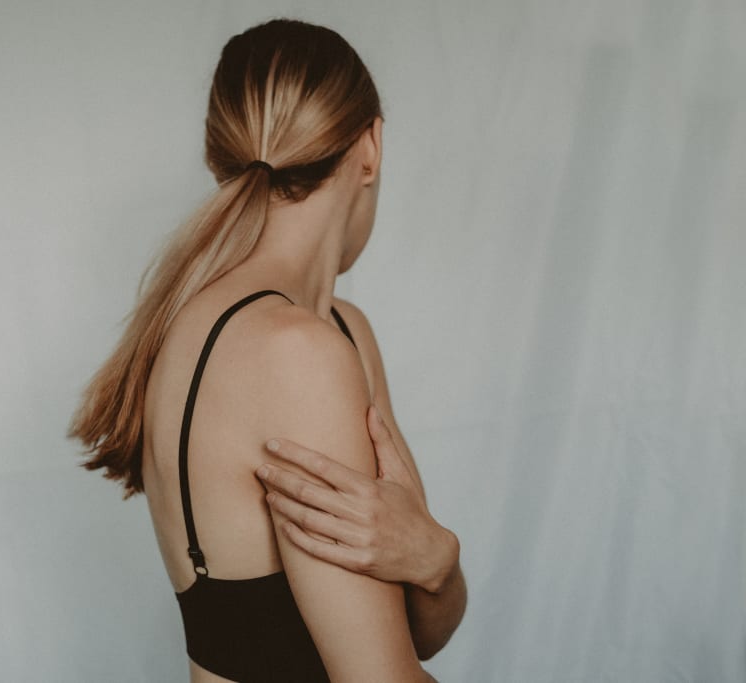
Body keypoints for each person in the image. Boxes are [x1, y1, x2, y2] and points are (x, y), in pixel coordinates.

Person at [70, 17, 465, 682]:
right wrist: (441, 557)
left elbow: (424, 633)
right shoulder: (296, 353)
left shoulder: (340, 330)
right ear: (371, 146)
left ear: (220, 158)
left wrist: (436, 560)